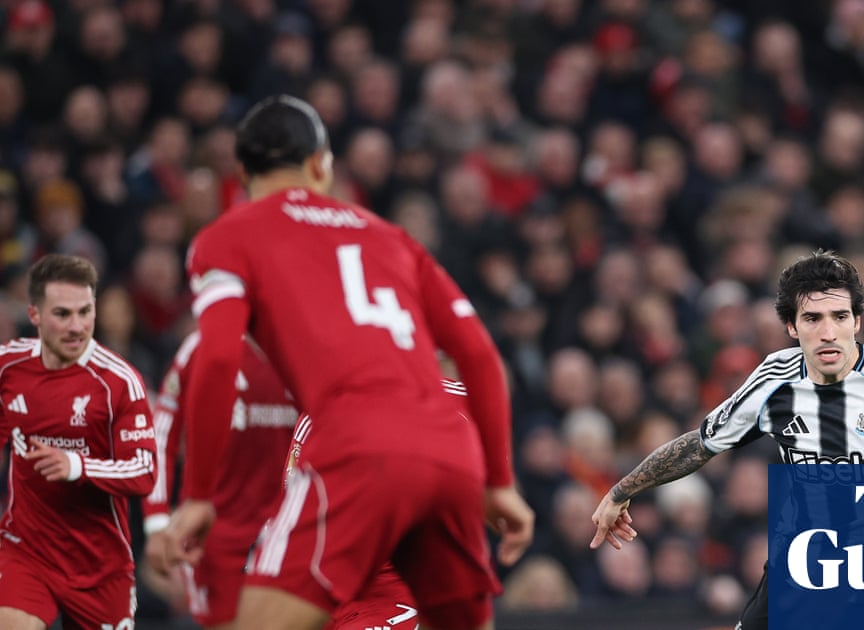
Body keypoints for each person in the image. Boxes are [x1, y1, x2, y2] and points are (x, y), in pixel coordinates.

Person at [159, 94, 534, 630]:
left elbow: (219, 359)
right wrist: (499, 481)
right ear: (321, 165)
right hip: (450, 451)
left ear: (242, 172)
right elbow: (479, 355)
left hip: (356, 446)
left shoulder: (226, 238)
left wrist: (197, 496)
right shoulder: (391, 238)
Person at [590, 251, 864, 630]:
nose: (828, 332)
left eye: (840, 316)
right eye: (813, 318)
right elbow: (700, 444)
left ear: (857, 321)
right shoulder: (774, 380)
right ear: (791, 327)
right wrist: (621, 491)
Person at [0, 254, 156, 630]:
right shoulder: (8, 368)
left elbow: (145, 472)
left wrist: (77, 465)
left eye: (85, 312)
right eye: (62, 314)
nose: (76, 326)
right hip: (26, 549)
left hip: (99, 565)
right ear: (35, 314)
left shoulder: (119, 382)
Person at [141, 332, 301, 629]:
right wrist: (157, 523)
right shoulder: (202, 346)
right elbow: (160, 434)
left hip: (289, 535)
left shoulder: (303, 343)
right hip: (215, 538)